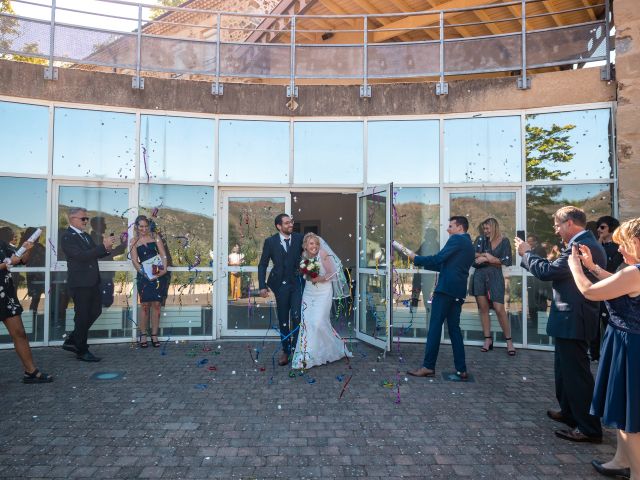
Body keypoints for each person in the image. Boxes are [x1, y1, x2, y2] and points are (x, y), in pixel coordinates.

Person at [516, 206, 605, 443]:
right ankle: (569, 413)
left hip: (574, 318)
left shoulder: (581, 246)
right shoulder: (581, 243)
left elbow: (547, 272)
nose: (555, 230)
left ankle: (588, 427)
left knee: (577, 375)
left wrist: (526, 252)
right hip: (569, 318)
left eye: (557, 225)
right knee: (564, 372)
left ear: (569, 223)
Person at [567, 218, 640, 479]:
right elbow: (620, 286)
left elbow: (589, 292)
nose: (619, 249)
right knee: (624, 409)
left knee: (632, 416)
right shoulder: (634, 273)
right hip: (624, 342)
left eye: (624, 244)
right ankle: (621, 460)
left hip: (631, 349)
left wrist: (576, 267)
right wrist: (594, 267)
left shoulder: (635, 272)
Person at [402, 216, 475, 380]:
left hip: (446, 290)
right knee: (455, 330)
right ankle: (461, 369)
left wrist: (416, 258)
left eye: (451, 226)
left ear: (460, 228)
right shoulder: (468, 245)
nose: (448, 229)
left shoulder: (457, 240)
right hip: (457, 292)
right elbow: (442, 265)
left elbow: (438, 258)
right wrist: (420, 262)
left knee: (434, 327)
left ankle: (428, 366)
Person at [60, 207, 115, 362]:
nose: (85, 221)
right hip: (80, 283)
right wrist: (102, 247)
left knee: (95, 311)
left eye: (86, 219)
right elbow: (81, 256)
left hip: (92, 281)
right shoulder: (67, 237)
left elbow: (94, 253)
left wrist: (107, 248)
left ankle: (73, 340)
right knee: (82, 317)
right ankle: (81, 350)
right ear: (72, 219)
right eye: (82, 219)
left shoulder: (84, 236)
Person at [291, 233, 352, 369]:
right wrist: (307, 274)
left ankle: (332, 349)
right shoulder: (304, 257)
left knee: (318, 322)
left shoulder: (323, 253)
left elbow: (333, 272)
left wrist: (318, 278)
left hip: (323, 292)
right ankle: (308, 356)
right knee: (307, 323)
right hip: (309, 293)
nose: (314, 246)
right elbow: (306, 275)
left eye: (316, 244)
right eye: (311, 244)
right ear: (306, 245)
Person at [0, 237, 53, 383]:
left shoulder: (2, 243)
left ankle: (30, 372)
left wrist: (27, 249)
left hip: (6, 296)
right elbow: (11, 262)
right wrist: (8, 264)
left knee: (20, 333)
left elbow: (21, 260)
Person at [258, 214, 304, 366]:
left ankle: (297, 350)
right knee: (283, 320)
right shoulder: (270, 242)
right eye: (287, 223)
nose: (290, 224)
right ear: (279, 226)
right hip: (280, 286)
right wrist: (262, 285)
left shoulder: (299, 238)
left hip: (297, 284)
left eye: (291, 222)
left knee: (297, 317)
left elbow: (313, 250)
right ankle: (286, 350)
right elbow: (262, 264)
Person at [470, 218, 515, 355]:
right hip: (479, 276)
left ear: (494, 228)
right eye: (484, 229)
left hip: (495, 276)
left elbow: (507, 261)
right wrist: (485, 256)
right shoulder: (480, 239)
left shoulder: (505, 241)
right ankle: (487, 339)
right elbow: (473, 255)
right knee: (483, 308)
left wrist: (488, 259)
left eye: (487, 228)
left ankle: (509, 341)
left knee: (499, 308)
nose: (485, 231)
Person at [130, 215, 169, 348]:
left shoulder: (155, 237)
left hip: (159, 274)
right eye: (141, 226)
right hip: (144, 277)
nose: (144, 229)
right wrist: (145, 273)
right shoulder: (133, 241)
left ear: (149, 226)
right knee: (145, 306)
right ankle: (143, 335)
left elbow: (163, 254)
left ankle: (154, 335)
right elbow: (135, 261)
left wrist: (163, 270)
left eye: (146, 226)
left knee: (157, 305)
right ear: (136, 226)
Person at [589, 215, 624, 362]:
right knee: (594, 323)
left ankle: (610, 355)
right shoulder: (598, 245)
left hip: (611, 288)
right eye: (598, 227)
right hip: (596, 287)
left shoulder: (619, 248)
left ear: (611, 228)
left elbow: (612, 267)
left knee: (608, 321)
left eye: (602, 227)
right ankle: (594, 354)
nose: (599, 229)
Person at [90, 216, 126, 308]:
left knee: (104, 302)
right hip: (102, 276)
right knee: (105, 302)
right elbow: (108, 254)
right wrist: (123, 245)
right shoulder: (95, 238)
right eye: (103, 224)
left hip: (102, 276)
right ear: (97, 225)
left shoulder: (96, 238)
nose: (105, 226)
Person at [20, 227, 46, 314]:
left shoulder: (39, 246)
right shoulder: (26, 246)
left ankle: (33, 318)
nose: (38, 236)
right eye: (37, 235)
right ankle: (32, 318)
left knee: (36, 299)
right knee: (35, 299)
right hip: (35, 275)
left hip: (41, 275)